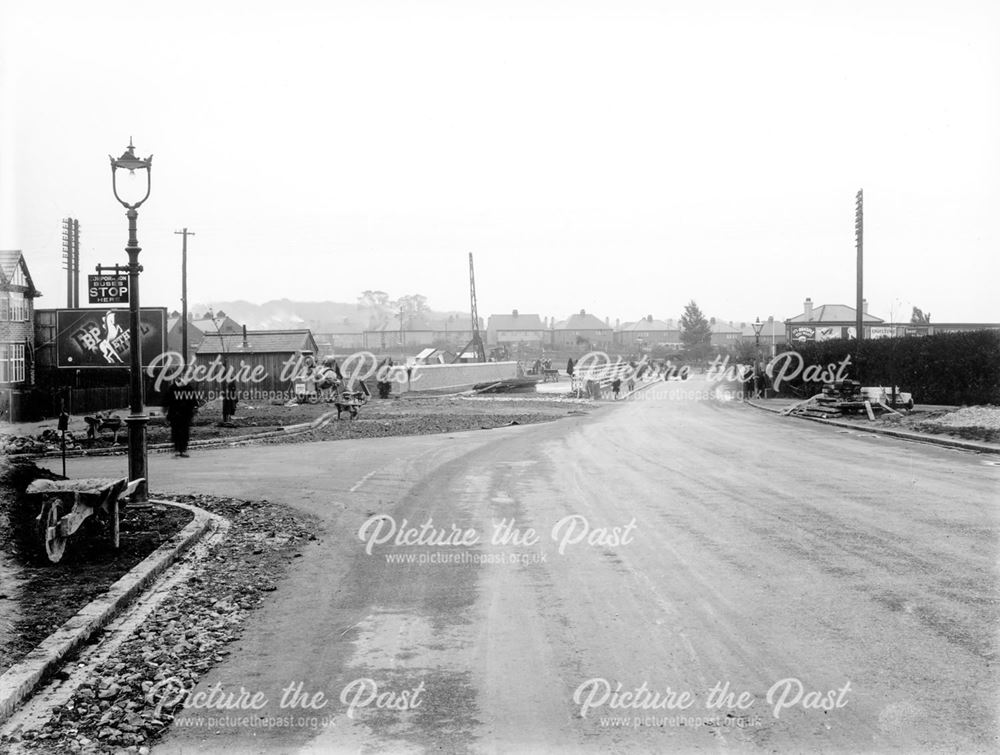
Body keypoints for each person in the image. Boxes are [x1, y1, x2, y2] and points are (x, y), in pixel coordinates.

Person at [163, 378, 199, 457]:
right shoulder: (174, 388)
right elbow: (167, 401)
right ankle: (179, 449)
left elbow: (193, 400)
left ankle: (182, 449)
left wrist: (194, 410)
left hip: (183, 413)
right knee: (178, 431)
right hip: (178, 414)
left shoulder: (176, 388)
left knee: (182, 432)